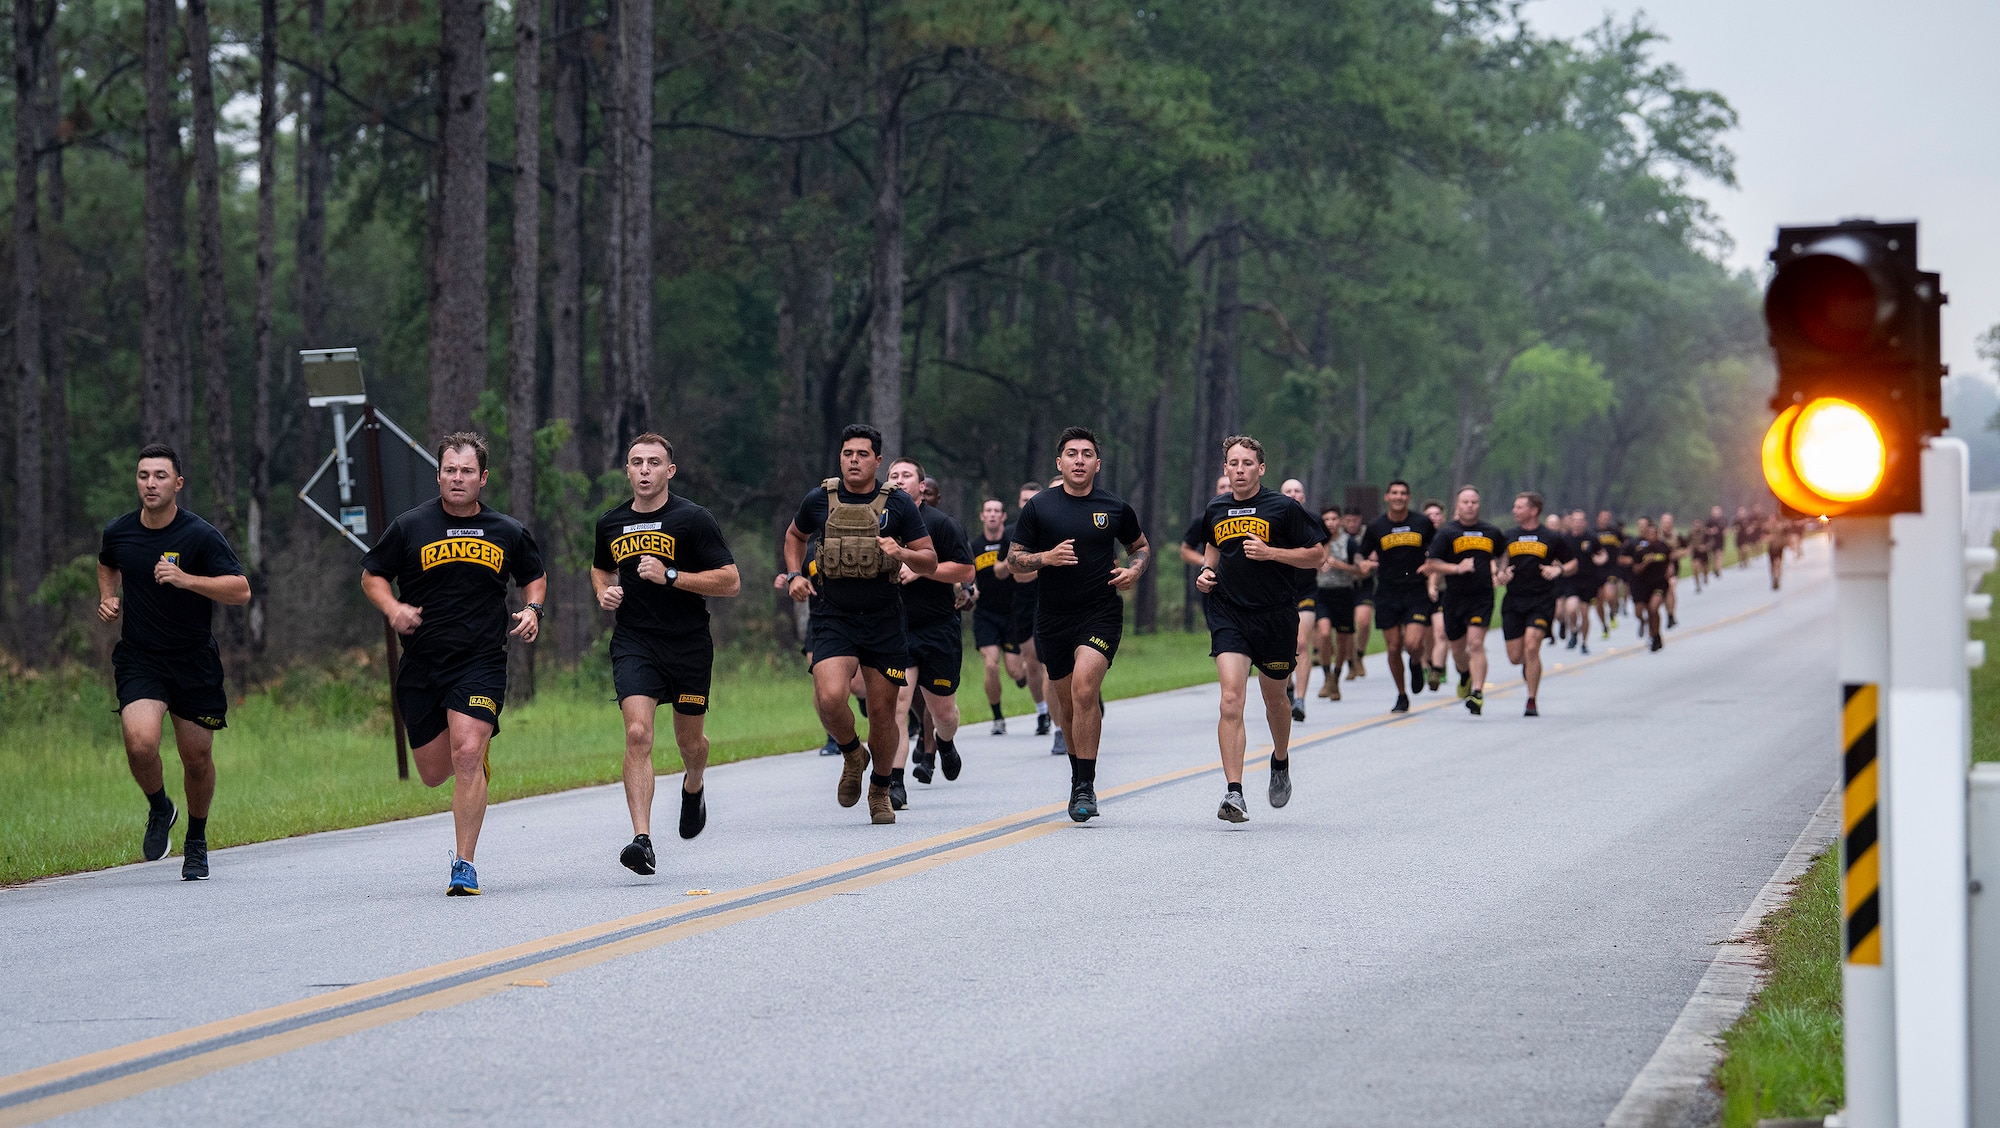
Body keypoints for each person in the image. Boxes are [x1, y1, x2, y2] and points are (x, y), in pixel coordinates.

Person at [361, 432, 546, 895]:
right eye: (450, 470)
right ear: (438, 475)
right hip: (422, 664)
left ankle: (464, 865)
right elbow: (372, 575)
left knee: (466, 752)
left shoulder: (506, 530)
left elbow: (534, 576)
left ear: (482, 478)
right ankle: (473, 764)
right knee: (433, 772)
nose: (457, 478)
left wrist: (532, 609)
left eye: (467, 471)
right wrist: (393, 609)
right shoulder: (410, 526)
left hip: (480, 660)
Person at [95, 444, 252, 881]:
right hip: (141, 657)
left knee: (196, 756)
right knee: (141, 741)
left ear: (177, 484)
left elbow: (240, 590)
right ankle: (160, 807)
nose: (151, 483)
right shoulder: (120, 531)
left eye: (160, 476)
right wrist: (108, 597)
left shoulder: (200, 535)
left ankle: (196, 840)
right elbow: (107, 564)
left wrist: (187, 580)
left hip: (193, 660)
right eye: (144, 475)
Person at [590, 433, 740, 877]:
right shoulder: (610, 523)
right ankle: (643, 840)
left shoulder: (693, 519)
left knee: (689, 743)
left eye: (654, 463)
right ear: (628, 470)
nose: (644, 470)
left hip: (689, 643)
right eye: (636, 462)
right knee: (638, 734)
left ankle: (693, 784)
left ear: (669, 471)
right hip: (635, 641)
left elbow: (730, 581)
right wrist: (604, 591)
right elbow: (600, 566)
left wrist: (671, 574)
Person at [781, 424, 939, 825]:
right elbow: (794, 536)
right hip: (834, 616)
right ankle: (854, 753)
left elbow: (930, 560)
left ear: (878, 461)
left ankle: (881, 789)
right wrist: (796, 574)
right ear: (840, 457)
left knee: (883, 715)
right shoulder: (819, 498)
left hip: (884, 620)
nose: (854, 460)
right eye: (848, 452)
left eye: (862, 454)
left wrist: (901, 551)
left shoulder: (899, 505)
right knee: (830, 696)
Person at [1009, 427, 1149, 822]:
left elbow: (1139, 546)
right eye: (1071, 454)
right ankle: (1077, 777)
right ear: (1060, 462)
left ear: (1097, 464)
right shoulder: (1039, 507)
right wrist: (1046, 559)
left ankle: (1086, 785)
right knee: (1069, 703)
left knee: (1086, 687)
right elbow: (1014, 561)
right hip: (1053, 617)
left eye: (1087, 454)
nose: (1079, 460)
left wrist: (1134, 571)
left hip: (1100, 611)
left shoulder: (1115, 507)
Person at [1192, 438, 1327, 822]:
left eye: (1247, 463)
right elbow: (1212, 545)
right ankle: (1234, 792)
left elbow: (1317, 555)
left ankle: (1280, 759)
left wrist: (1273, 553)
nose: (1239, 469)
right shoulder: (1216, 507)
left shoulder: (1283, 508)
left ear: (1261, 468)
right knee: (1231, 700)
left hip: (1276, 615)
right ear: (1225, 469)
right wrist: (1206, 571)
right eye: (1232, 463)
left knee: (1275, 699)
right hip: (1229, 613)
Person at [886, 459, 977, 803]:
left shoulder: (942, 524)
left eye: (906, 475)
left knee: (943, 713)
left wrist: (922, 570)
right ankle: (894, 782)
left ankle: (946, 742)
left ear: (922, 487)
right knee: (898, 706)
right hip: (897, 630)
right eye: (893, 476)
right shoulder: (882, 523)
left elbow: (966, 570)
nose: (899, 480)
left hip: (938, 628)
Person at [1423, 487, 1504, 715]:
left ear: (1479, 504)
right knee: (1458, 649)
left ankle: (1477, 693)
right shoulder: (1447, 532)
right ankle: (1466, 674)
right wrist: (1456, 568)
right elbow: (1432, 563)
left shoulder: (1491, 531)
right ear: (1458, 505)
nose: (1470, 506)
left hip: (1482, 596)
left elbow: (1503, 553)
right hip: (1454, 597)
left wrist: (1501, 570)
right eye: (1466, 502)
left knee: (1476, 643)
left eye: (1474, 502)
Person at [1495, 492, 1574, 718]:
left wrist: (1558, 570)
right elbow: (1499, 563)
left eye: (1519, 507)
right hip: (1514, 601)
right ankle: (1527, 668)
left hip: (1541, 600)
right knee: (1515, 657)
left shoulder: (1551, 537)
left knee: (1532, 646)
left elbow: (1572, 563)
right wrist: (1501, 574)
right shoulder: (1508, 536)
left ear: (1533, 510)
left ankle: (1531, 700)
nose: (1514, 510)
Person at [1360, 480, 1435, 713]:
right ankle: (1402, 694)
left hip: (1416, 590)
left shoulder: (1422, 523)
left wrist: (1431, 565)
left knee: (1413, 643)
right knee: (1393, 648)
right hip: (1388, 592)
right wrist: (1365, 563)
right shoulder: (1376, 527)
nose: (1399, 497)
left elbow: (1437, 550)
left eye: (1403, 493)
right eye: (1394, 493)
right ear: (1387, 497)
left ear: (1409, 498)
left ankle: (1415, 662)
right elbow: (1362, 555)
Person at [1007, 482, 1053, 742]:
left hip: (1049, 600)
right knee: (1032, 664)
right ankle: (1042, 711)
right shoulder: (1012, 533)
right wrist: (1047, 562)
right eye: (1024, 500)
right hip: (1022, 603)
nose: (1029, 504)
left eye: (1033, 499)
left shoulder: (1054, 528)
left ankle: (1057, 715)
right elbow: (1011, 572)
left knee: (1047, 660)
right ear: (1019, 503)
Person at [970, 498, 1017, 736]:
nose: (992, 515)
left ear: (1003, 516)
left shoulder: (1011, 543)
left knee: (1015, 671)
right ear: (982, 516)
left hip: (1012, 613)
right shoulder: (974, 546)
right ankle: (998, 717)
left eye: (997, 511)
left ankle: (1023, 678)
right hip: (986, 614)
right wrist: (969, 589)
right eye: (988, 510)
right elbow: (965, 576)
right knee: (990, 665)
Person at [1313, 505, 1364, 700]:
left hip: (1344, 594)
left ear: (1340, 521)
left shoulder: (1349, 542)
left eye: (1334, 519)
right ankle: (1326, 676)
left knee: (1343, 641)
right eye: (1327, 519)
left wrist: (1340, 565)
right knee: (1325, 634)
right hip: (1323, 594)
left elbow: (1360, 570)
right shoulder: (1316, 542)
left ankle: (1336, 675)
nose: (1331, 523)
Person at [1280, 478, 1317, 718]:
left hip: (1307, 592)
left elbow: (1323, 550)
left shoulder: (1313, 521)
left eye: (1298, 491)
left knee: (1301, 643)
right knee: (1284, 647)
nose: (1293, 494)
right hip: (1280, 593)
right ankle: (1289, 687)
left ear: (1304, 496)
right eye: (1288, 491)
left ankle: (1300, 700)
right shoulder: (1272, 520)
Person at [1621, 517, 1674, 651]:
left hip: (1659, 583)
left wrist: (1670, 570)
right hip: (1641, 584)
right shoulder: (1639, 549)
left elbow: (1669, 561)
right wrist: (1646, 562)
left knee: (1653, 608)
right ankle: (1649, 628)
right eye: (1649, 533)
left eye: (1654, 533)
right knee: (1640, 612)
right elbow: (1635, 568)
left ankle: (1655, 635)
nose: (1651, 536)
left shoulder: (1663, 547)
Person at [1560, 509, 1599, 655]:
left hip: (1588, 580)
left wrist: (1600, 560)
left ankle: (1584, 642)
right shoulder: (1564, 539)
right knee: (1571, 609)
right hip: (1571, 579)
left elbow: (1601, 554)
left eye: (1580, 521)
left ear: (1585, 523)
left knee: (1584, 613)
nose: (1577, 523)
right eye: (1575, 521)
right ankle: (1574, 630)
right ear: (1570, 522)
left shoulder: (1591, 538)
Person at [1343, 508, 1377, 680]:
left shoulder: (1367, 534)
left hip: (1364, 584)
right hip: (1345, 584)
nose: (1351, 524)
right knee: (1347, 627)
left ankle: (1360, 655)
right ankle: (1350, 662)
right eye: (1348, 521)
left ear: (1360, 520)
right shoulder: (1338, 535)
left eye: (1354, 520)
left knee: (1363, 621)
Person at [1659, 511, 1687, 628]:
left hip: (1673, 566)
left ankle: (1671, 615)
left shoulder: (1677, 535)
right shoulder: (1657, 536)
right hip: (1659, 568)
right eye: (1665, 522)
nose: (1667, 525)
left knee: (1670, 589)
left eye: (1669, 522)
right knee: (1663, 593)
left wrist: (1678, 554)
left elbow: (1687, 548)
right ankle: (1668, 613)